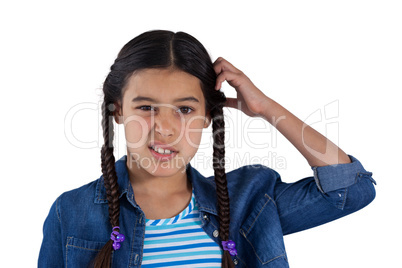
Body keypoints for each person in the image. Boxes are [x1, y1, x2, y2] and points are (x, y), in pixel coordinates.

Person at [38, 30, 376, 268]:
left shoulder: (250, 202)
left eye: (185, 109)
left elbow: (350, 189)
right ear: (118, 110)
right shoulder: (70, 212)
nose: (165, 128)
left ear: (207, 117)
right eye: (146, 107)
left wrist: (265, 108)